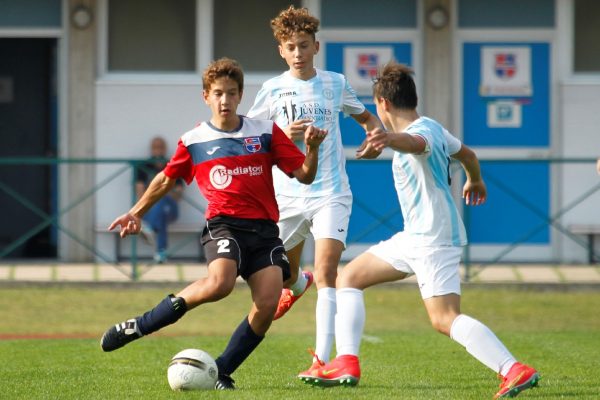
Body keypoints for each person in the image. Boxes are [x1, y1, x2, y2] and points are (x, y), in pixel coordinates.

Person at [303, 62, 540, 399]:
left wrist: (388, 138)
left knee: (444, 318)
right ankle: (346, 361)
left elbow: (415, 143)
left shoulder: (423, 131)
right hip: (414, 237)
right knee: (350, 277)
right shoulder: (436, 128)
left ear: (382, 104)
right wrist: (475, 179)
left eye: (376, 107)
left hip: (434, 240)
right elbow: (468, 154)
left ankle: (513, 369)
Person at [99, 58, 327, 390]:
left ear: (240, 96)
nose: (225, 101)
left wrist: (312, 149)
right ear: (206, 95)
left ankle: (221, 370)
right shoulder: (194, 140)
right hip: (223, 226)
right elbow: (165, 179)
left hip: (264, 231)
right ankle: (140, 325)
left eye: (231, 94)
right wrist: (137, 212)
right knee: (220, 284)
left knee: (267, 303)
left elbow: (305, 176)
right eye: (218, 93)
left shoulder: (265, 132)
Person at [247, 5, 382, 377]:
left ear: (316, 46)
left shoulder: (335, 83)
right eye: (290, 47)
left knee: (327, 271)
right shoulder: (272, 89)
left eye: (304, 46)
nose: (297, 54)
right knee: (284, 277)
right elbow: (253, 135)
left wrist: (376, 137)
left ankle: (321, 361)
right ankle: (298, 283)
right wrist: (282, 135)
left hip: (330, 193)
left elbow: (366, 116)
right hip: (287, 196)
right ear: (280, 50)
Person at [136, 136, 184, 263]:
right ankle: (161, 252)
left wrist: (163, 191)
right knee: (160, 213)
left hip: (170, 208)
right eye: (155, 147)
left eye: (161, 147)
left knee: (161, 200)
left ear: (165, 149)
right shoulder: (143, 166)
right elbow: (140, 194)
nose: (158, 150)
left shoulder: (172, 166)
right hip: (148, 210)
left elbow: (179, 195)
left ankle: (150, 229)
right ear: (151, 149)